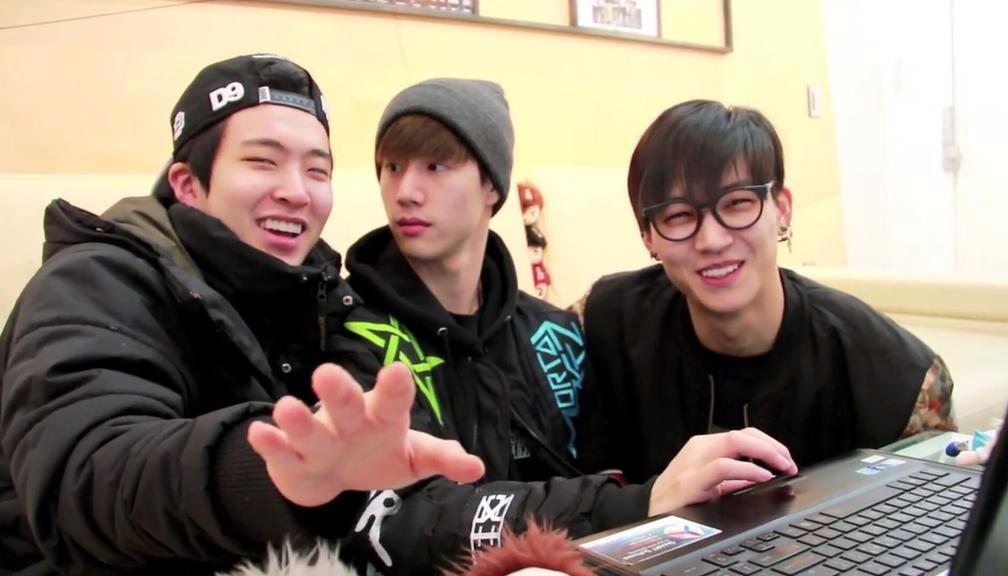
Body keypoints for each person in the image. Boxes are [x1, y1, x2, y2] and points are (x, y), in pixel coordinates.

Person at [0, 54, 482, 575]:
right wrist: (270, 472)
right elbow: (88, 476)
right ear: (187, 184)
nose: (296, 192)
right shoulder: (94, 280)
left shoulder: (325, 298)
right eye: (263, 162)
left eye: (317, 170)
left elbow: (402, 482)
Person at [282, 79, 797, 574]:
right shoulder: (354, 333)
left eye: (436, 166)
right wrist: (633, 504)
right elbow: (406, 522)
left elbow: (609, 467)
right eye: (392, 167)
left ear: (492, 185)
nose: (405, 192)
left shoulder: (555, 333)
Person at [575, 99, 957, 484]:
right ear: (648, 236)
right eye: (679, 215)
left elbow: (937, 504)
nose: (712, 240)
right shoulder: (600, 325)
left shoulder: (898, 378)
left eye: (737, 204)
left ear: (782, 210)